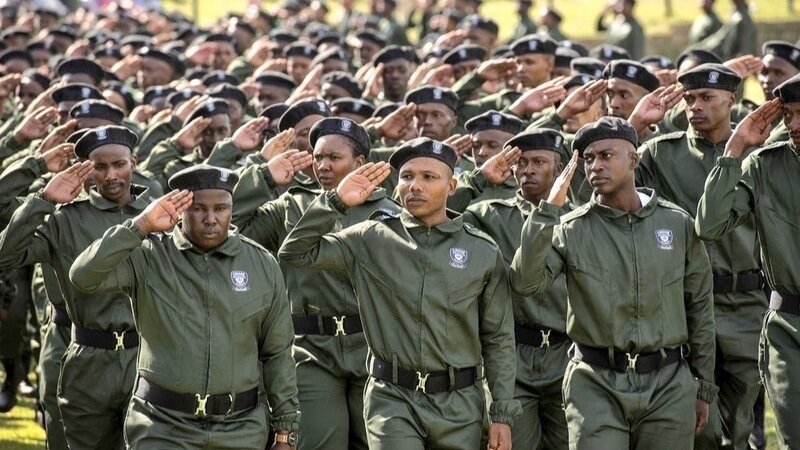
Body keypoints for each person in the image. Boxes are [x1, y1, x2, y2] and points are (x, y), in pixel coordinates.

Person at [278, 138, 520, 450]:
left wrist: (501, 414)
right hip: (392, 400)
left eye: (428, 177)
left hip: (459, 405)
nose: (414, 186)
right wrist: (335, 201)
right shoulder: (372, 238)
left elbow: (498, 338)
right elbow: (295, 254)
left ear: (451, 186)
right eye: (406, 177)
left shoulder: (481, 250)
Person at [510, 117, 717, 449]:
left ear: (634, 160)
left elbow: (700, 307)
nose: (595, 166)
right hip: (595, 384)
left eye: (606, 156)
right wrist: (547, 212)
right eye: (589, 159)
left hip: (667, 383)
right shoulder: (570, 229)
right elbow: (525, 283)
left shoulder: (676, 223)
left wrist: (703, 384)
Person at [232, 118, 400, 450]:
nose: (322, 165)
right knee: (319, 440)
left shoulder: (389, 212)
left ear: (359, 162)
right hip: (311, 349)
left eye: (334, 158)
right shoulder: (292, 205)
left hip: (371, 345)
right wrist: (263, 177)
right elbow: (229, 227)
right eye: (318, 157)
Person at [634, 63, 766, 450]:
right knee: (697, 422)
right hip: (684, 303)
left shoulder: (758, 154)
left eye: (707, 97)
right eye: (689, 98)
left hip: (745, 302)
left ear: (732, 100)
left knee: (740, 421)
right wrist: (634, 125)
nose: (695, 106)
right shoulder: (659, 154)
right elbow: (594, 191)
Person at [0, 126, 152, 449]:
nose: (111, 175)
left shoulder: (156, 216)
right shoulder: (65, 219)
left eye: (119, 164)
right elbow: (5, 256)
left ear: (134, 163)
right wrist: (43, 201)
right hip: (88, 359)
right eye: (99, 167)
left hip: (146, 358)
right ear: (85, 170)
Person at [694, 75, 800, 450]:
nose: (794, 125)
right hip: (790, 328)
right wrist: (735, 148)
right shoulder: (765, 166)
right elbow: (709, 226)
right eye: (788, 115)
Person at [463, 128, 570, 450]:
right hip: (513, 356)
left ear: (559, 168)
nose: (528, 170)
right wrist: (479, 179)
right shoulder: (489, 216)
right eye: (521, 163)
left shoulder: (580, 218)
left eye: (539, 162)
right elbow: (430, 213)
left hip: (567, 353)